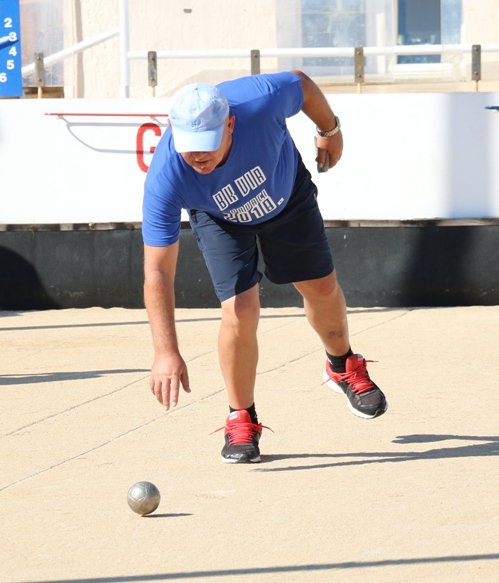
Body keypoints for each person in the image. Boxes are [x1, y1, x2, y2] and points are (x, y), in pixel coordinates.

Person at [142, 72, 388, 464]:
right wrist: (165, 351)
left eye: (208, 143)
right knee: (240, 312)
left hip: (286, 194)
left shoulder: (260, 100)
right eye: (190, 146)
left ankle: (342, 364)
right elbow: (157, 270)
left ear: (230, 124)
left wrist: (330, 129)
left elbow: (302, 84)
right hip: (219, 218)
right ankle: (240, 417)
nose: (198, 156)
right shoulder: (167, 176)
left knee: (321, 288)